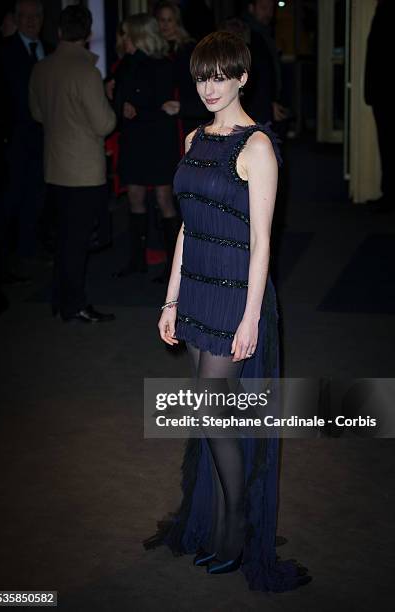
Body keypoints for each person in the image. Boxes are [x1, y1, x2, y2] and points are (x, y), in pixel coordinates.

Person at [144, 31, 311, 591]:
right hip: (195, 291)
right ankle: (218, 518)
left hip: (235, 296)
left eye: (221, 76)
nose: (209, 87)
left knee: (215, 416)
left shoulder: (257, 147)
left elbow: (264, 241)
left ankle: (238, 524)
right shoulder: (194, 137)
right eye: (201, 76)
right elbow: (187, 226)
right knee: (209, 414)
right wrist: (170, 298)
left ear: (243, 77)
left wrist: (250, 316)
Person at [29, 5, 117, 323]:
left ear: (60, 31)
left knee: (63, 239)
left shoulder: (42, 67)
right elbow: (104, 123)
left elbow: (37, 114)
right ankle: (74, 304)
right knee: (76, 243)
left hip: (54, 167)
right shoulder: (86, 71)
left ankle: (60, 299)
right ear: (88, 33)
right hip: (83, 170)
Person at [112, 14, 181, 280]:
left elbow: (163, 106)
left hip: (157, 138)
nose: (122, 40)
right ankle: (137, 259)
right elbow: (118, 98)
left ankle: (173, 267)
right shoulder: (125, 64)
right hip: (134, 138)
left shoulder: (163, 64)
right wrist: (122, 105)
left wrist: (135, 108)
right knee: (135, 197)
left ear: (139, 36)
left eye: (126, 35)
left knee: (164, 199)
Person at [0, 0, 52, 278]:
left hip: (48, 139)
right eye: (25, 16)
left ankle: (30, 249)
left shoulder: (51, 50)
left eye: (36, 16)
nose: (31, 21)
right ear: (16, 18)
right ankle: (11, 259)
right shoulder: (3, 52)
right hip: (16, 141)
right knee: (14, 198)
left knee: (38, 197)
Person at [154, 0, 210, 141]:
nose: (165, 25)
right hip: (163, 118)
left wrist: (184, 106)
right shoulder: (154, 50)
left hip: (186, 115)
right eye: (162, 20)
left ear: (177, 22)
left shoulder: (189, 49)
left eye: (169, 20)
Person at [364, 0, 395, 213]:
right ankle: (389, 193)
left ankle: (389, 195)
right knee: (387, 146)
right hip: (382, 94)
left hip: (385, 95)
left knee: (388, 146)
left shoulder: (385, 14)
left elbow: (378, 58)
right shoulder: (382, 13)